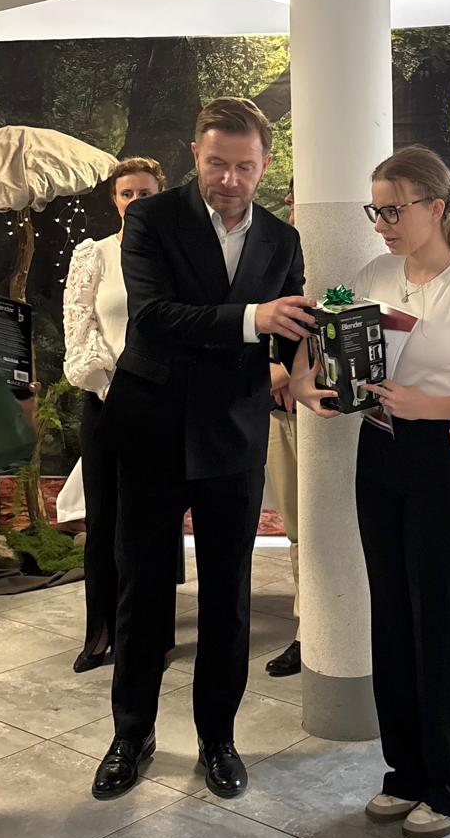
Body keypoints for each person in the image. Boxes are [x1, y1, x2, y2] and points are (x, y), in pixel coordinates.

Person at [92, 98, 312, 801]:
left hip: (233, 432)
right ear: (195, 154)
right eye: (217, 163)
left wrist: (302, 371)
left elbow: (293, 327)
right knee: (143, 588)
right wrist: (254, 319)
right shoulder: (151, 219)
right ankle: (131, 735)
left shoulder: (281, 238)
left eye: (244, 167)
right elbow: (154, 316)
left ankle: (218, 738)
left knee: (228, 595)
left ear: (264, 165)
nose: (229, 179)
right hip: (150, 426)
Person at [293, 146, 450, 838]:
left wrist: (433, 408)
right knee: (388, 613)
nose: (381, 224)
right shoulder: (374, 274)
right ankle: (406, 772)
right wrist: (307, 385)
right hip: (377, 449)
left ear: (436, 208)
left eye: (392, 210)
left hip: (440, 457)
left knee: (435, 620)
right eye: (375, 210)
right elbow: (319, 340)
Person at [63, 156, 167, 673]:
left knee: (151, 525)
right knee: (103, 519)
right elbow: (79, 325)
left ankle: (150, 635)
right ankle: (100, 631)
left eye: (146, 193)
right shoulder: (95, 254)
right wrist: (110, 384)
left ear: (160, 196)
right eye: (128, 194)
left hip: (161, 403)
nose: (136, 202)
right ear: (115, 200)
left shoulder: (176, 255)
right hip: (104, 399)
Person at [265, 180, 302, 678]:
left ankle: (318, 629)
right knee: (298, 530)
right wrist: (271, 374)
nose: (295, 205)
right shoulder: (273, 246)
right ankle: (306, 628)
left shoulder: (358, 252)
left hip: (330, 415)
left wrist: (296, 374)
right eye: (292, 198)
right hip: (279, 413)